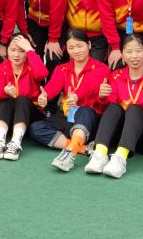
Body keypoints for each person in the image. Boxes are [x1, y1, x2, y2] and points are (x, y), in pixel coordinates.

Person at [83, 35, 143, 179]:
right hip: (122, 136)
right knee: (113, 107)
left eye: (138, 51)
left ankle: (120, 159)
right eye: (129, 51)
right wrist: (102, 97)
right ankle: (100, 154)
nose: (134, 56)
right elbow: (105, 111)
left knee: (135, 109)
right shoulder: (116, 76)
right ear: (122, 55)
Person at [33, 30, 109, 172]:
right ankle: (83, 148)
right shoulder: (62, 69)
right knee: (36, 127)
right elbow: (52, 87)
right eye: (71, 47)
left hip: (90, 121)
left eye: (80, 46)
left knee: (84, 110)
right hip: (69, 118)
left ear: (89, 45)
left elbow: (91, 86)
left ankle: (69, 154)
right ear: (67, 49)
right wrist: (44, 96)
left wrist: (76, 96)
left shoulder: (101, 68)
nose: (76, 51)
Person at [0, 35, 48, 161]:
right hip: (9, 116)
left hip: (30, 114)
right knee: (5, 99)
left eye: (22, 51)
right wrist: (4, 91)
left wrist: (30, 50)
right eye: (13, 50)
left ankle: (15, 143)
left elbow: (42, 74)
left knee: (21, 99)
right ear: (7, 50)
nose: (16, 55)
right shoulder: (1, 68)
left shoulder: (31, 65)